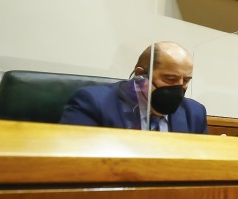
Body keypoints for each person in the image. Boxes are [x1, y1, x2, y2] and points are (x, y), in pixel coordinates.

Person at [60, 41, 207, 133]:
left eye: (186, 80)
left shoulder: (194, 113)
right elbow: (75, 165)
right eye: (170, 79)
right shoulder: (93, 103)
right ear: (140, 75)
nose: (179, 88)